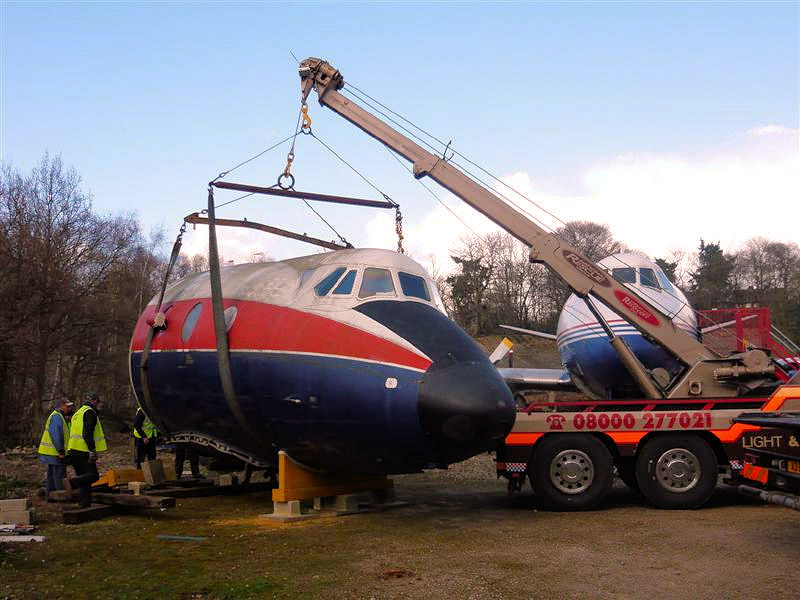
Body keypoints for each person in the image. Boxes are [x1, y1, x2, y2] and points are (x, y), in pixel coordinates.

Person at [65, 392, 107, 508]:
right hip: (83, 451)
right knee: (93, 476)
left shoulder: (78, 412)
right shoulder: (90, 412)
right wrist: (92, 450)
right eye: (98, 402)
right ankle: (71, 483)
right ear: (94, 401)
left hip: (73, 450)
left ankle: (84, 504)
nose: (99, 405)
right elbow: (87, 433)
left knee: (84, 479)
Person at [37, 398, 74, 499]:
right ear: (61, 406)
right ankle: (60, 497)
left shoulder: (58, 416)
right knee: (59, 476)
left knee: (52, 476)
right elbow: (56, 435)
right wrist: (61, 451)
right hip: (55, 453)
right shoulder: (57, 417)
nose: (70, 408)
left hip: (52, 453)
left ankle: (50, 497)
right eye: (68, 406)